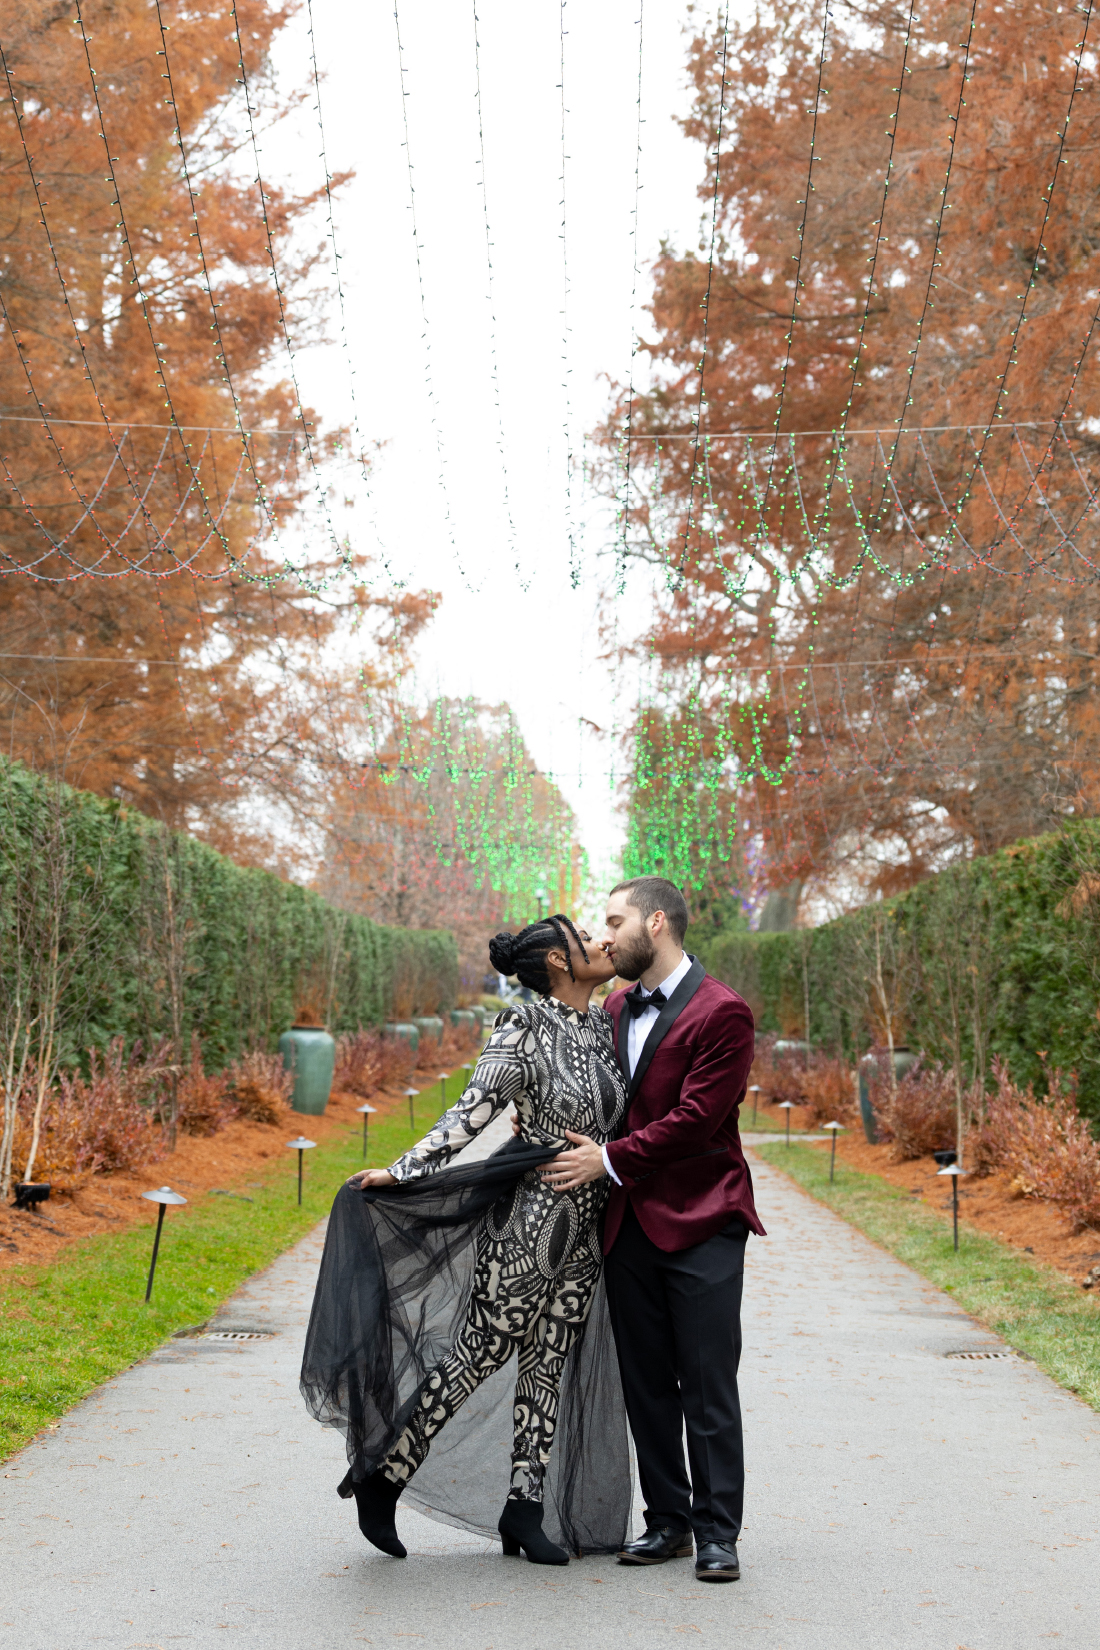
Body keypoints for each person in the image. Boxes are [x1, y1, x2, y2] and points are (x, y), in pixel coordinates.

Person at [301, 914, 628, 1566]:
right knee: (477, 1356)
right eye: (587, 939)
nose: (602, 942)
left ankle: (524, 1511)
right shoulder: (523, 1028)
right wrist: (402, 1171)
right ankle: (385, 1475)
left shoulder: (601, 1026)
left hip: (585, 1231)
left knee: (548, 1366)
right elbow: (471, 1112)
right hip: (527, 1227)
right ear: (560, 964)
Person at [539, 875, 762, 1584]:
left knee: (706, 1383)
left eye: (613, 920)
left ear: (656, 923)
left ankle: (717, 1532)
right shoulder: (611, 1008)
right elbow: (597, 1096)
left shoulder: (724, 1013)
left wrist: (605, 1160)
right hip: (627, 1224)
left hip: (704, 1218)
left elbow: (696, 1118)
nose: (602, 936)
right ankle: (666, 1521)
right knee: (646, 1386)